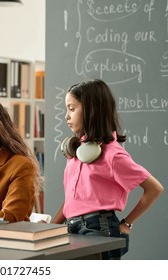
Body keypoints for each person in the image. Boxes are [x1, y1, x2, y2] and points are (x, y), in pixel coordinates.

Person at [52, 79, 164, 259]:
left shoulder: (113, 155)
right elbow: (71, 201)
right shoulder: (78, 152)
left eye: (72, 109)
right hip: (71, 227)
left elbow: (154, 188)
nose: (66, 115)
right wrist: (51, 227)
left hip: (98, 228)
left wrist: (127, 223)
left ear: (91, 110)